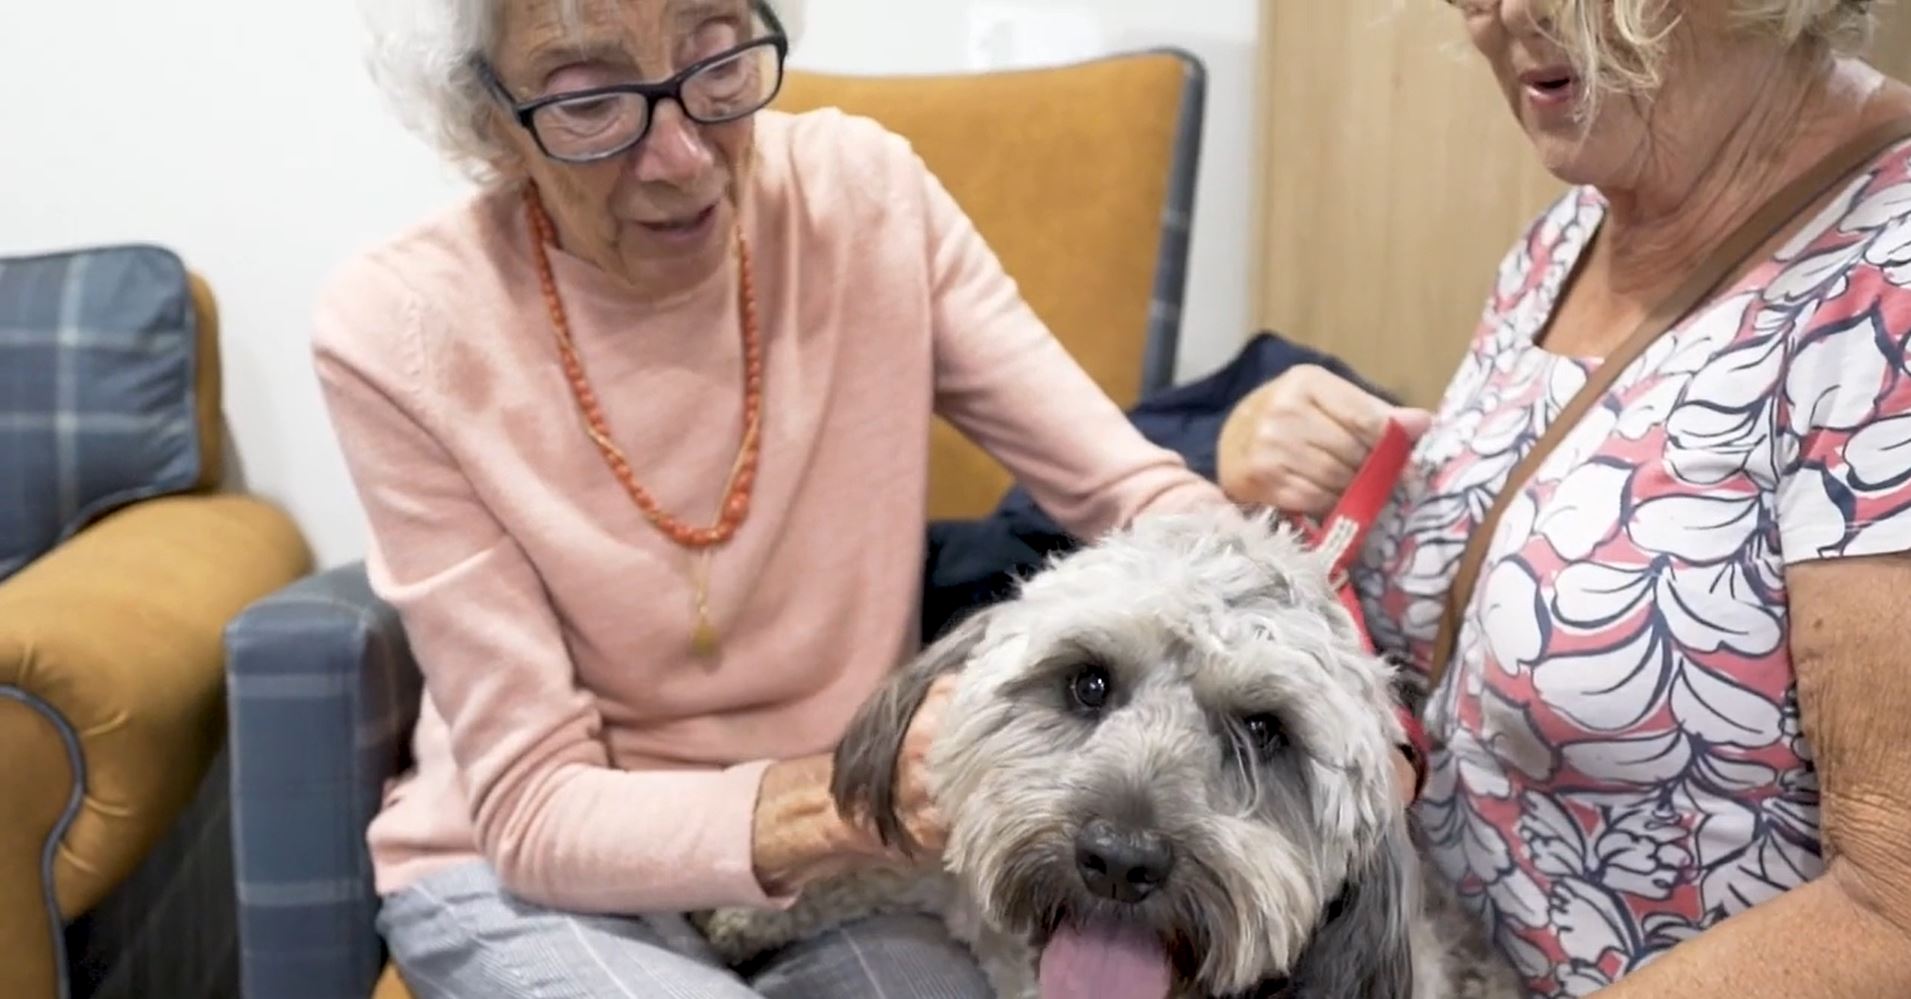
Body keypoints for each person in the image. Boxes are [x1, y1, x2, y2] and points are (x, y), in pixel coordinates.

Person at [311, 0, 1327, 995]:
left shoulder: (865, 195)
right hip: (533, 878)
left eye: (716, 60)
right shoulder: (397, 328)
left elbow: (1128, 491)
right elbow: (533, 814)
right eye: (590, 102)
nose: (683, 157)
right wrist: (854, 797)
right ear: (489, 121)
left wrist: (1355, 702)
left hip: (845, 873)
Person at [1220, 1, 1911, 996]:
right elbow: (1583, 522)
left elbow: (1894, 905)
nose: (1508, 14)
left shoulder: (1882, 290)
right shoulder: (1579, 229)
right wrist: (1285, 456)